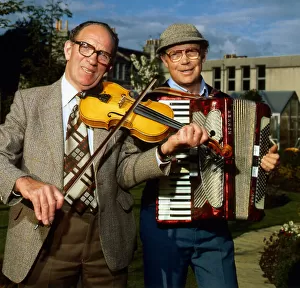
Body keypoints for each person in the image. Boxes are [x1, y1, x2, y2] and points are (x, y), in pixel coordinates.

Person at [0, 21, 208, 287]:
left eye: (103, 54)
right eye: (86, 47)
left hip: (105, 237)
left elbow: (125, 171)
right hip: (43, 233)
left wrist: (164, 151)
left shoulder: (120, 106)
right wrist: (24, 183)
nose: (92, 59)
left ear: (109, 65)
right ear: (68, 49)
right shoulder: (30, 102)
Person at [139, 23, 280, 288]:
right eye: (175, 54)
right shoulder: (149, 105)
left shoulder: (227, 105)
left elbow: (244, 166)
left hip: (214, 225)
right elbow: (129, 168)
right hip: (163, 225)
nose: (184, 61)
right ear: (164, 60)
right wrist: (164, 150)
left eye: (191, 52)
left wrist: (262, 166)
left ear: (203, 55)